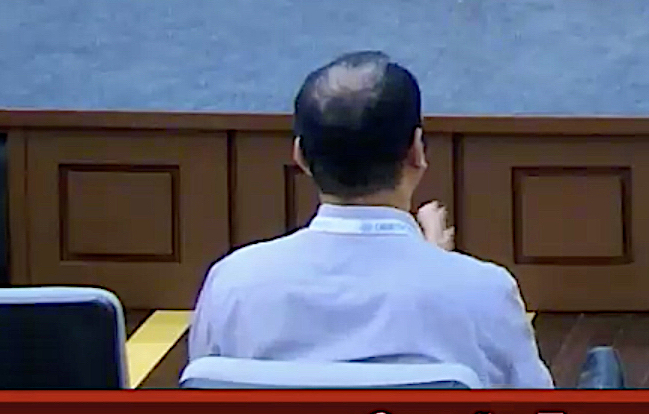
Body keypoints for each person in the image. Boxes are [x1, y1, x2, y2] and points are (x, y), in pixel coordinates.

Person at [185, 53, 560, 389]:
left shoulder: (231, 283)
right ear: (417, 151)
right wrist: (438, 266)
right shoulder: (483, 292)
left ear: (299, 156)